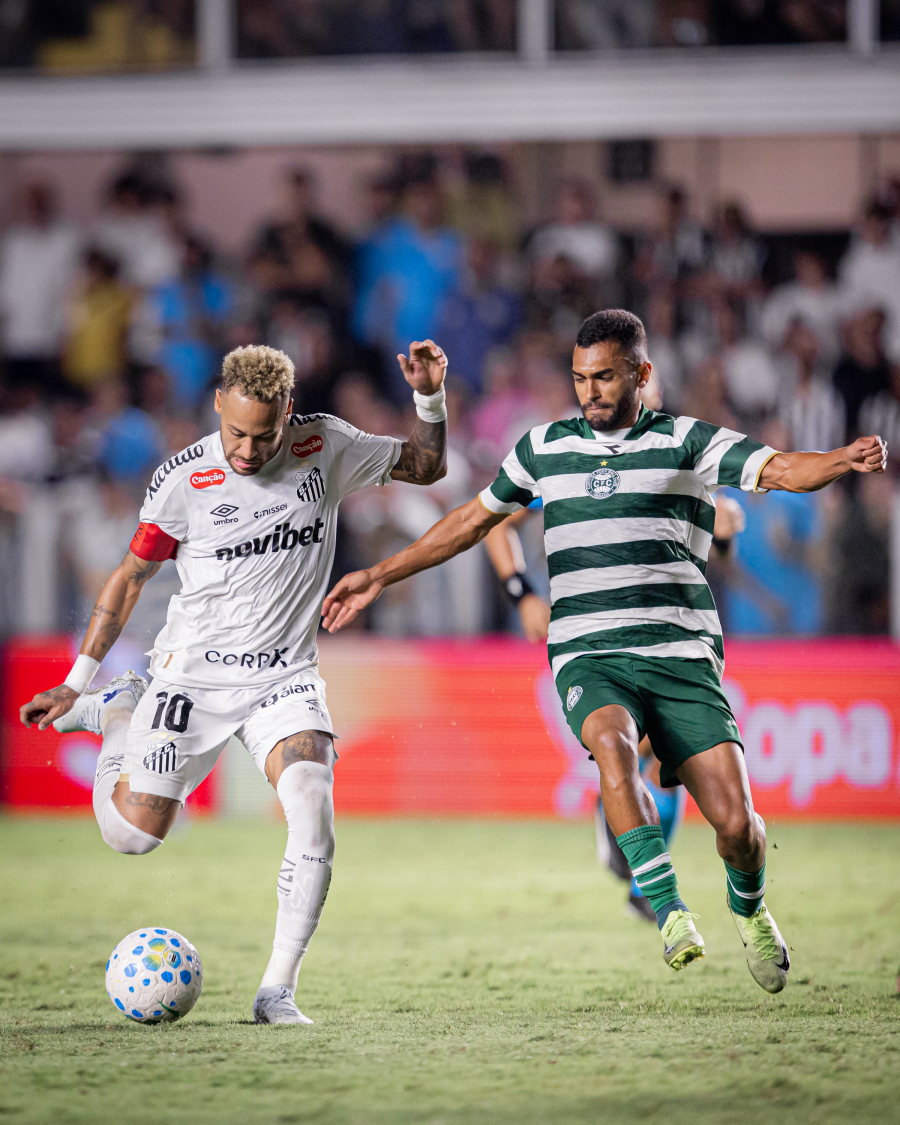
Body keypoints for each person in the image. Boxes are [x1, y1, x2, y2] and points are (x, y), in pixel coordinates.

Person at [322, 308, 887, 992]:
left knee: (738, 826)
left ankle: (751, 907)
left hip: (681, 655)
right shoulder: (543, 448)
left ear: (642, 375)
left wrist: (841, 460)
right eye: (580, 378)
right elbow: (474, 521)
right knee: (613, 747)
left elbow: (782, 470)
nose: (590, 392)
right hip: (589, 651)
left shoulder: (688, 442)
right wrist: (380, 575)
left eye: (605, 378)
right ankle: (667, 906)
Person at [20, 339, 450, 1026]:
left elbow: (427, 464)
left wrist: (430, 395)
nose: (248, 451)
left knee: (312, 802)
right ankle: (121, 712)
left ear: (290, 414)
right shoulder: (183, 479)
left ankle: (276, 991)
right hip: (191, 674)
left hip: (284, 676)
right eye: (237, 433)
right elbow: (131, 576)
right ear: (218, 404)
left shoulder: (326, 445)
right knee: (131, 836)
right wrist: (81, 680)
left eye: (265, 435)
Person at [483, 491, 745, 923]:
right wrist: (522, 593)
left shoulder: (678, 459)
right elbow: (495, 520)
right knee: (635, 744)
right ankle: (628, 837)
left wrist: (723, 532)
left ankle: (634, 862)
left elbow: (720, 552)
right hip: (592, 639)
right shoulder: (567, 464)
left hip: (667, 631)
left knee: (661, 751)